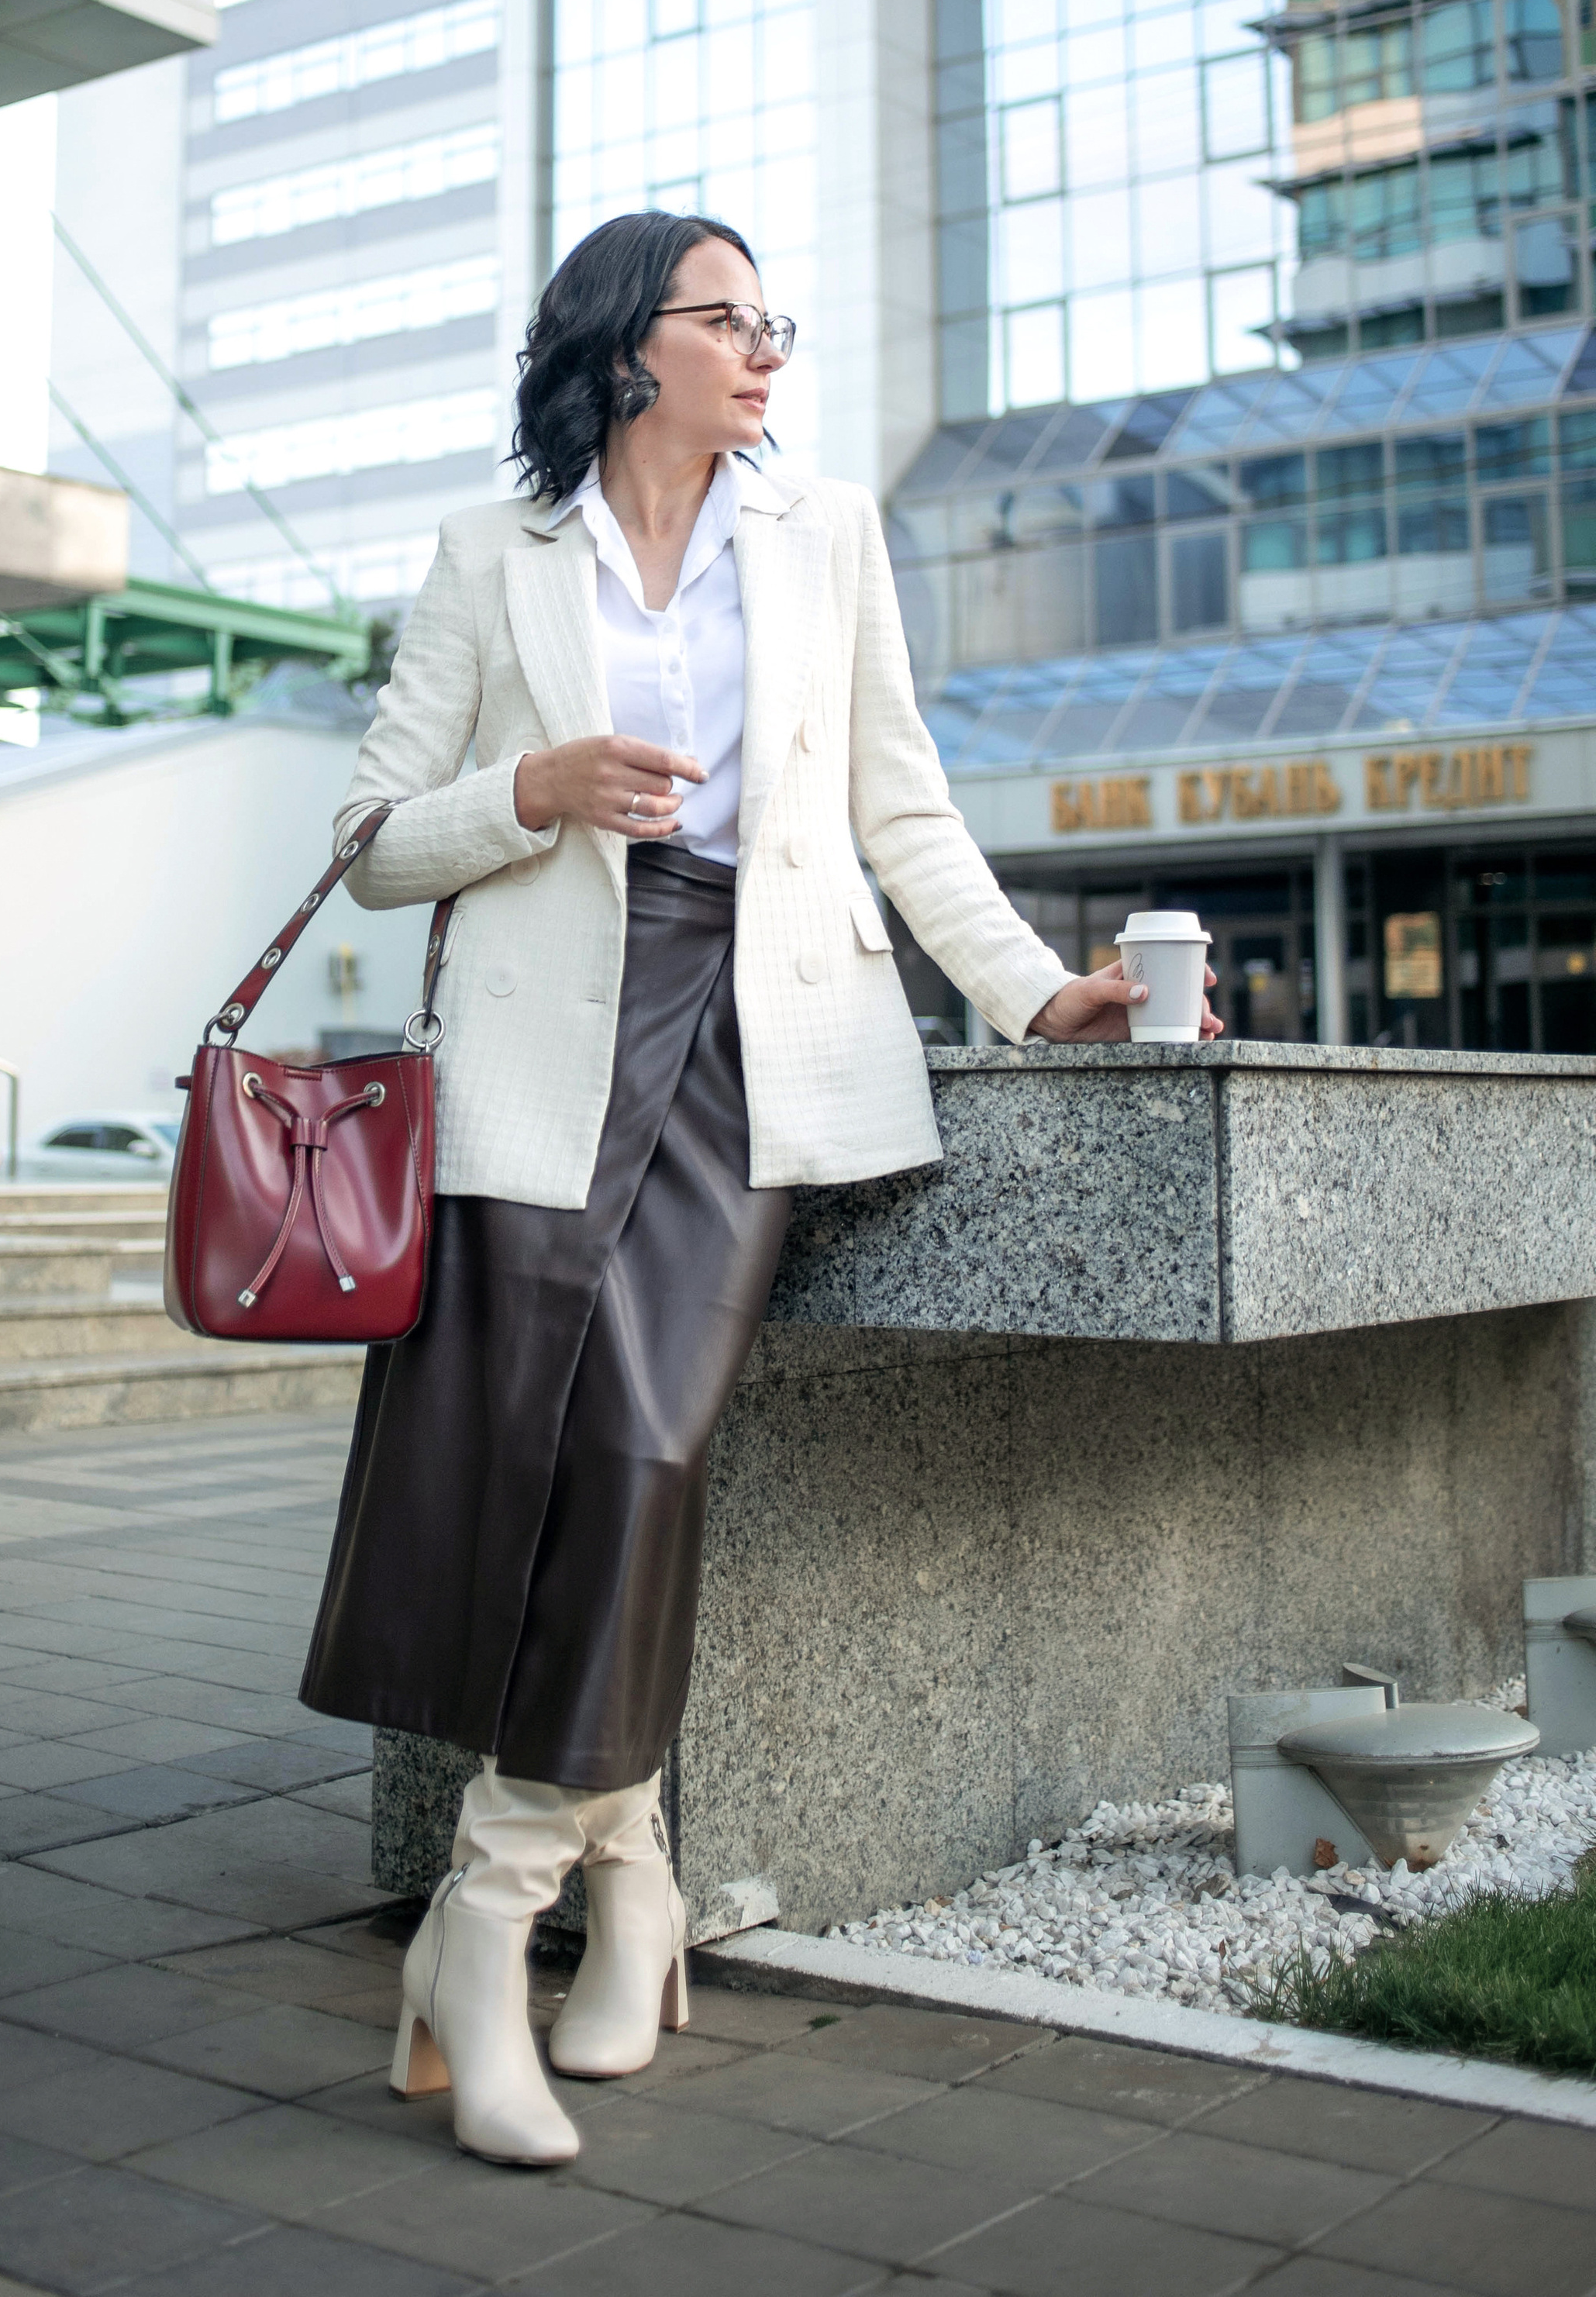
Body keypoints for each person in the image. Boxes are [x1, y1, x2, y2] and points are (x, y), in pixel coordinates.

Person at [298, 211, 1219, 2167]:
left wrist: (1031, 990)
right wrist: (528, 793)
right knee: (551, 1471)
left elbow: (898, 799)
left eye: (768, 318)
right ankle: (631, 1893)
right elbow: (369, 840)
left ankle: (482, 1925)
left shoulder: (821, 537)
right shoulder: (489, 552)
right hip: (545, 1045)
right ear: (626, 347)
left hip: (750, 1031)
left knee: (642, 1450)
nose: (765, 346)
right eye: (727, 318)